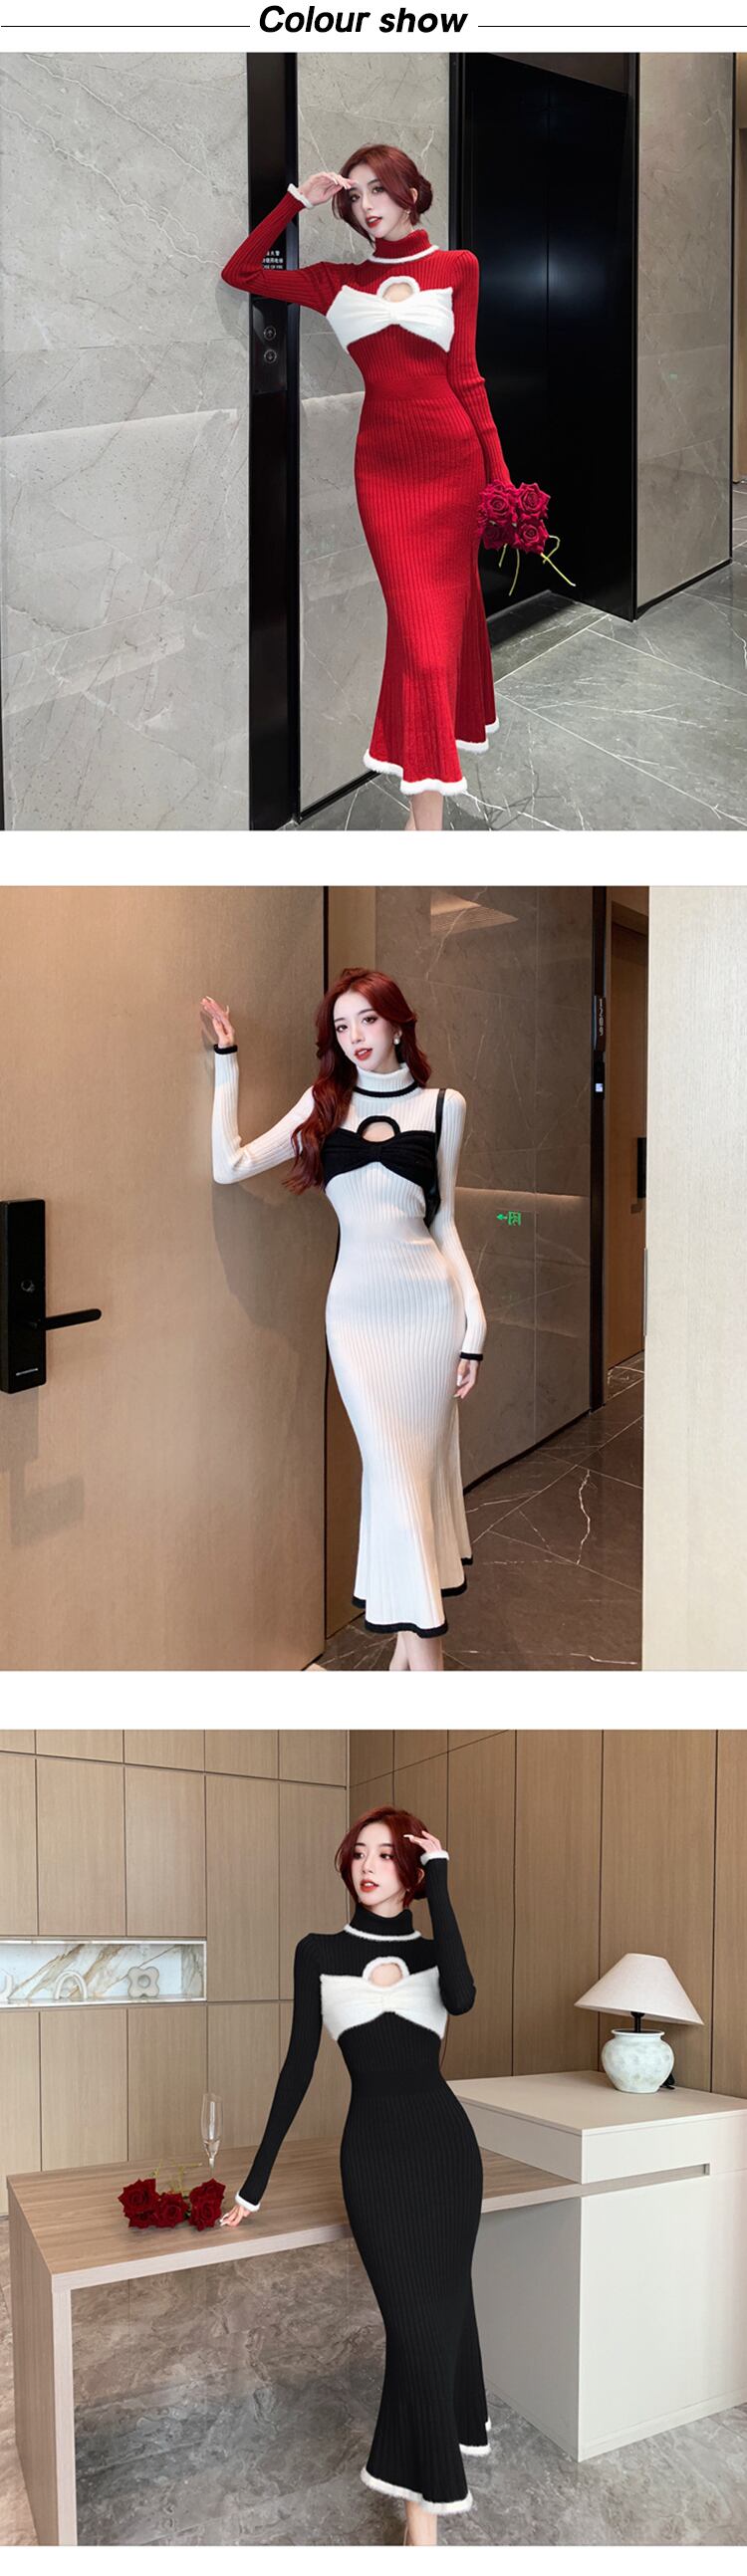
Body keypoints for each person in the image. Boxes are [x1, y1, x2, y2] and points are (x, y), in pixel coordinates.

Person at [200, 965, 486, 1673]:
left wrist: (476, 1326)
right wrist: (227, 1062)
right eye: (341, 1025)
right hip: (356, 1319)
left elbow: (446, 1222)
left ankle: (409, 1666)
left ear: (398, 1024)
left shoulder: (444, 1107)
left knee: (409, 1483)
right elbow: (230, 1165)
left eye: (368, 1019)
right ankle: (428, 1673)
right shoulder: (325, 1102)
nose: (355, 1035)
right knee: (393, 1476)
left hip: (431, 1311)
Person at [219, 145, 512, 833]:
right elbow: (240, 273)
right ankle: (428, 812)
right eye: (354, 194)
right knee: (419, 635)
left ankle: (424, 821)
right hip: (384, 476)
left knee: (433, 636)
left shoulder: (457, 267)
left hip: (454, 467)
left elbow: (468, 378)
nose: (367, 204)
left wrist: (502, 483)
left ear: (410, 190)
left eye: (379, 188)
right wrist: (298, 201)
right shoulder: (335, 282)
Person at [220, 1811, 490, 2544]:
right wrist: (254, 2184)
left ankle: (419, 2523)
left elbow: (463, 1997)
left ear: (413, 1872)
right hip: (373, 2157)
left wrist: (443, 1882)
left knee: (440, 2319)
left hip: (447, 2155)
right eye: (359, 1853)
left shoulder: (435, 1953)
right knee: (413, 2324)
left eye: (388, 1854)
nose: (368, 1866)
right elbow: (298, 2067)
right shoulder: (318, 1952)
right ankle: (426, 2499)